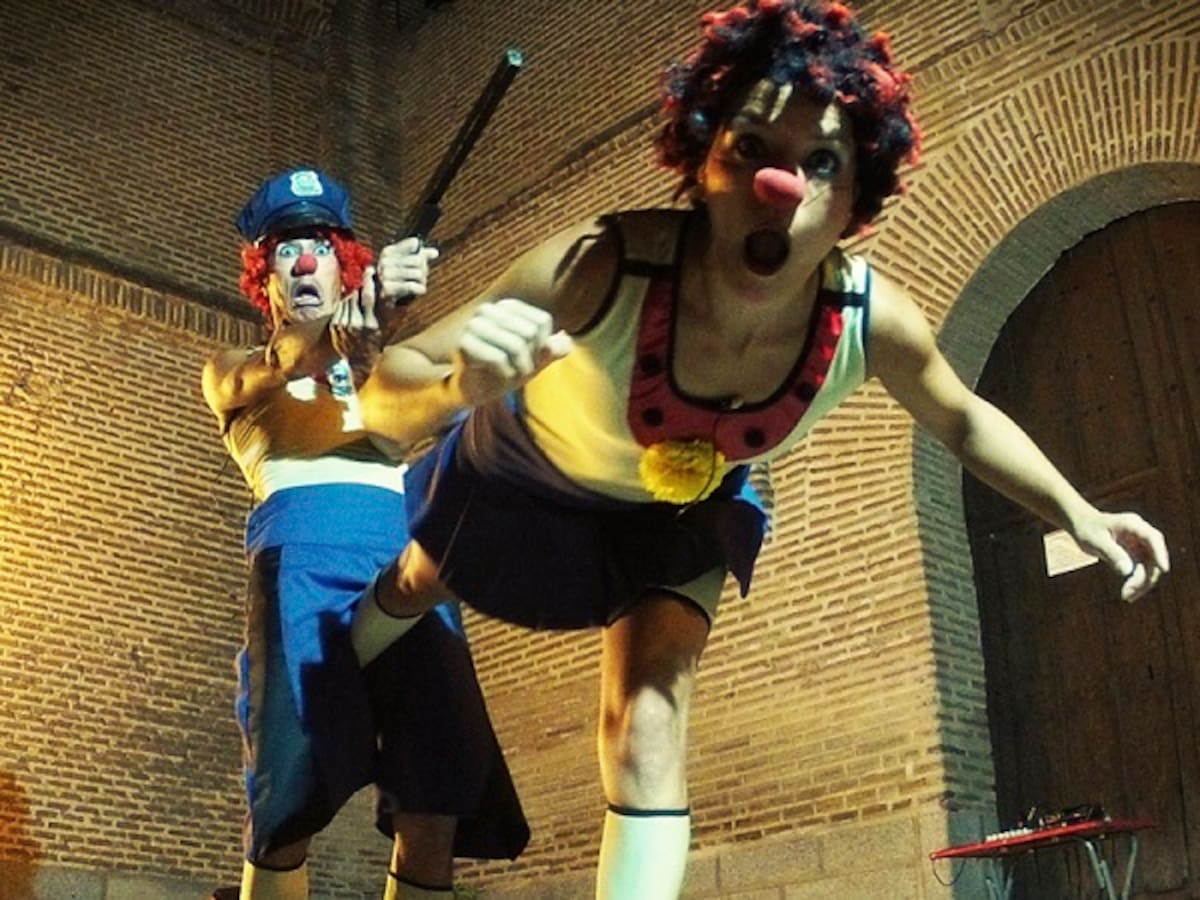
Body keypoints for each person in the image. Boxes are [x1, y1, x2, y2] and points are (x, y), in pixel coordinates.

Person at [347, 2, 1171, 897]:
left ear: (856, 198)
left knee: (648, 720)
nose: (780, 186)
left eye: (821, 163)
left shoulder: (867, 318)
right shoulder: (602, 263)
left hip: (677, 512)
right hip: (523, 474)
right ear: (702, 161)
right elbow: (386, 398)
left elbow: (963, 419)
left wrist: (1080, 513)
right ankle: (334, 663)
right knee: (420, 582)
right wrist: (456, 385)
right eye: (750, 148)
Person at [201, 168, 528, 900]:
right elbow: (290, 359)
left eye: (322, 248)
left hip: (404, 560)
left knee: (436, 797)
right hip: (302, 565)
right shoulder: (232, 371)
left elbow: (423, 398)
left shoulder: (378, 362)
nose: (305, 264)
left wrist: (380, 327)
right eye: (287, 252)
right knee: (288, 800)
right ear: (264, 277)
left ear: (345, 265)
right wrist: (360, 317)